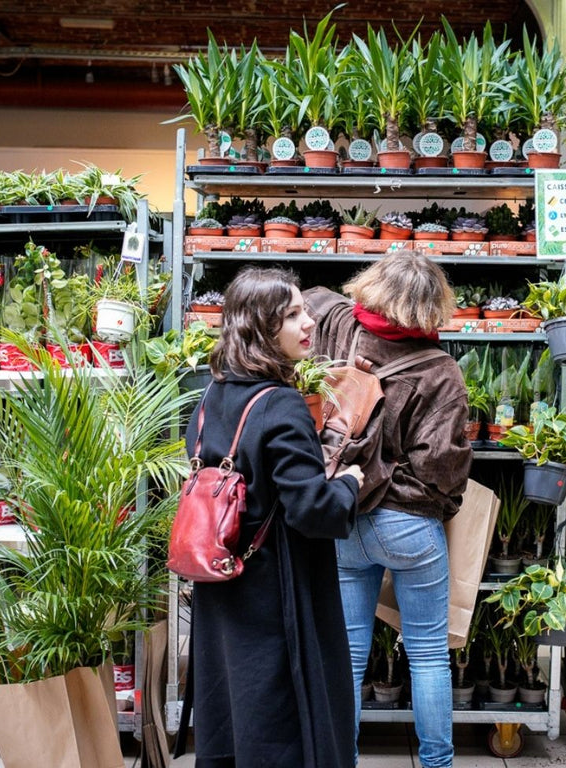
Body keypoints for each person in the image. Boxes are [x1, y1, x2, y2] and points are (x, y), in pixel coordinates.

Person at [182, 266, 364, 768]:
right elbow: (312, 510)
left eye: (304, 309)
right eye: (292, 315)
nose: (309, 323)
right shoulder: (281, 405)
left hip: (223, 584)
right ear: (261, 328)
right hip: (276, 593)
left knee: (235, 714)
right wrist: (347, 484)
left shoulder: (210, 395)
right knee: (283, 719)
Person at [305, 250, 473, 768]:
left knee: (349, 657)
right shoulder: (441, 373)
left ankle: (343, 761)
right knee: (426, 657)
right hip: (408, 528)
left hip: (343, 514)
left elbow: (309, 301)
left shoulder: (337, 328)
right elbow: (441, 474)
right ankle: (437, 763)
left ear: (373, 287)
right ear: (431, 307)